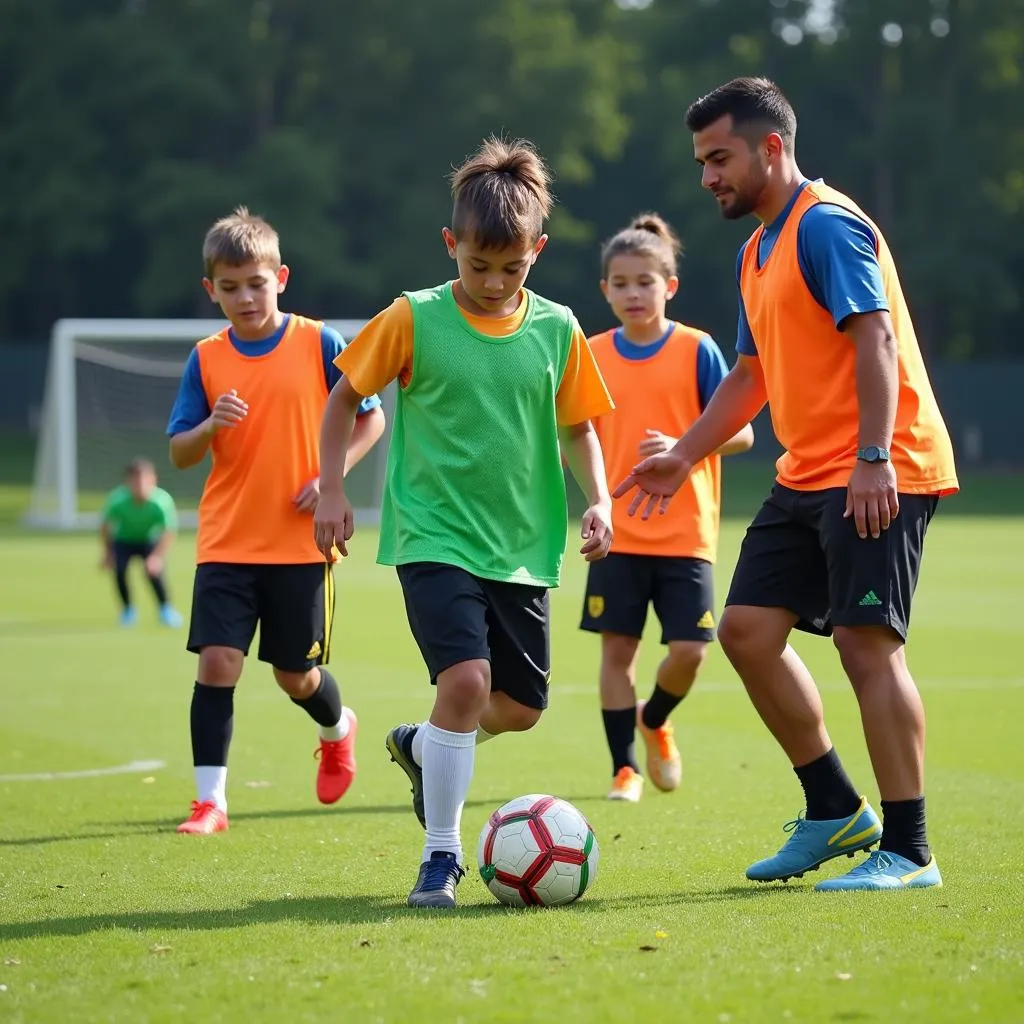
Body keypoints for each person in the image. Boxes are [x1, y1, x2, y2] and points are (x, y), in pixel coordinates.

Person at [614, 77, 958, 891]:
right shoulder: (754, 251)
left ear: (772, 147)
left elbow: (873, 338)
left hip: (881, 465)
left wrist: (874, 458)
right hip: (806, 470)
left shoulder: (827, 225)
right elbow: (748, 377)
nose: (708, 177)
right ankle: (835, 809)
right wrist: (687, 453)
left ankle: (910, 851)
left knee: (865, 647)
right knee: (744, 631)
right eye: (702, 161)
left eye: (720, 157)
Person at [314, 136, 615, 908]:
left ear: (537, 252)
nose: (491, 282)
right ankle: (440, 856)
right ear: (451, 245)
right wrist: (332, 489)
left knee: (518, 708)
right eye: (477, 265)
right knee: (467, 679)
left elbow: (579, 424)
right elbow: (345, 396)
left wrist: (601, 499)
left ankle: (423, 745)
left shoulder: (557, 329)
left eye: (510, 268)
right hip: (433, 535)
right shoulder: (413, 317)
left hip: (522, 546)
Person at [166, 206, 386, 836]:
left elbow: (371, 417)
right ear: (211, 290)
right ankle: (211, 802)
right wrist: (210, 426)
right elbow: (180, 451)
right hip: (227, 541)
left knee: (296, 674)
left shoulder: (319, 341)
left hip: (301, 544)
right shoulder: (205, 360)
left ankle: (337, 729)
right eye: (229, 287)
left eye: (255, 284)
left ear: (280, 277)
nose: (244, 297)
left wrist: (330, 478)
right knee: (217, 665)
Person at [583, 213, 753, 803]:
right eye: (621, 283)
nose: (633, 293)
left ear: (669, 286)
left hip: (686, 536)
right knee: (617, 654)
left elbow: (744, 435)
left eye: (645, 282)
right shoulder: (591, 354)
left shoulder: (696, 349)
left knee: (690, 652)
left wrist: (685, 444)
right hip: (618, 535)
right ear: (604, 289)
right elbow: (573, 438)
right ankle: (623, 768)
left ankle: (654, 719)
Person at [100, 458, 183, 628]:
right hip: (124, 540)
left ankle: (165, 609)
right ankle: (128, 611)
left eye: (145, 479)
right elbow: (105, 527)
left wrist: (157, 557)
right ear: (127, 482)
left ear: (154, 480)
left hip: (149, 540)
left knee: (154, 573)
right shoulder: (117, 500)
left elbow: (168, 531)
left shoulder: (161, 501)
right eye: (135, 480)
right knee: (120, 570)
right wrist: (108, 552)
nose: (140, 484)